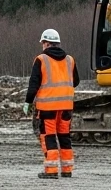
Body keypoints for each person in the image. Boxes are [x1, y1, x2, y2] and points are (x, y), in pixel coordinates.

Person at [24, 28, 79, 178]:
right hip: (67, 107)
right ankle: (67, 169)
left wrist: (28, 102)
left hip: (47, 107)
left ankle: (52, 171)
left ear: (47, 43)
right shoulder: (70, 60)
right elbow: (76, 81)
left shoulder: (41, 59)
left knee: (49, 137)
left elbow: (34, 84)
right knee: (64, 137)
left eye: (43, 43)